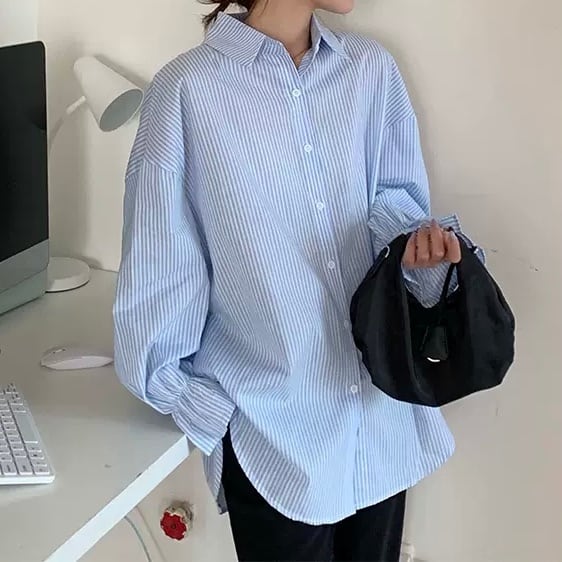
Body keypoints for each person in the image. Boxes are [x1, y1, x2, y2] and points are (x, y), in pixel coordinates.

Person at [114, 1, 473, 560]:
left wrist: (425, 261)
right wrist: (212, 417)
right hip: (273, 439)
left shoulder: (370, 70)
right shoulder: (186, 92)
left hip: (379, 422)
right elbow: (161, 272)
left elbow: (396, 211)